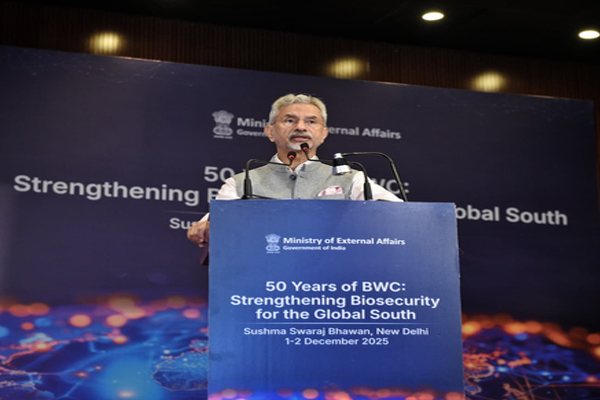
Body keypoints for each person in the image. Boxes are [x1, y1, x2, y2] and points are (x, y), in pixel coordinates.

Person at [187, 93, 401, 247]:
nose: (300, 127)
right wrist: (205, 226)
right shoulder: (241, 182)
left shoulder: (352, 178)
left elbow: (398, 214)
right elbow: (214, 222)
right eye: (289, 120)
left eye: (311, 122)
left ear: (323, 134)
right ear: (270, 132)